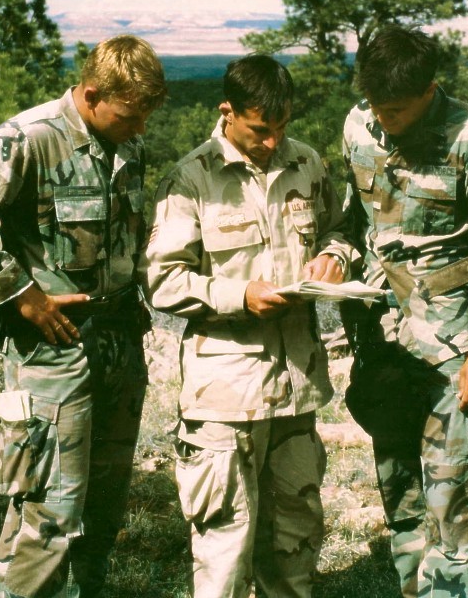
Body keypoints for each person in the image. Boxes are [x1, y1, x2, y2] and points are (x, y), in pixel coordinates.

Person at [0, 35, 167, 598]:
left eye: (146, 116)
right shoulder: (29, 138)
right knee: (49, 507)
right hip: (53, 351)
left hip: (117, 344)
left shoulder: (127, 145)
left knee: (102, 506)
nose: (140, 129)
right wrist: (18, 293)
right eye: (130, 115)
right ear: (91, 94)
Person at [143, 54, 354, 598]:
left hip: (296, 389)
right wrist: (239, 295)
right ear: (227, 112)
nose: (271, 142)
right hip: (224, 396)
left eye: (282, 128)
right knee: (224, 551)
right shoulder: (191, 180)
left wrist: (335, 256)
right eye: (260, 130)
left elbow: (342, 230)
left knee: (293, 541)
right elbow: (162, 281)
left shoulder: (306, 164)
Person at [342, 25, 468, 598]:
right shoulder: (357, 125)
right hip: (381, 336)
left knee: (450, 493)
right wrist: (333, 254)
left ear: (429, 90)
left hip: (451, 345)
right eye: (376, 105)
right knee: (397, 483)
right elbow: (355, 218)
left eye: (396, 108)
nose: (384, 118)